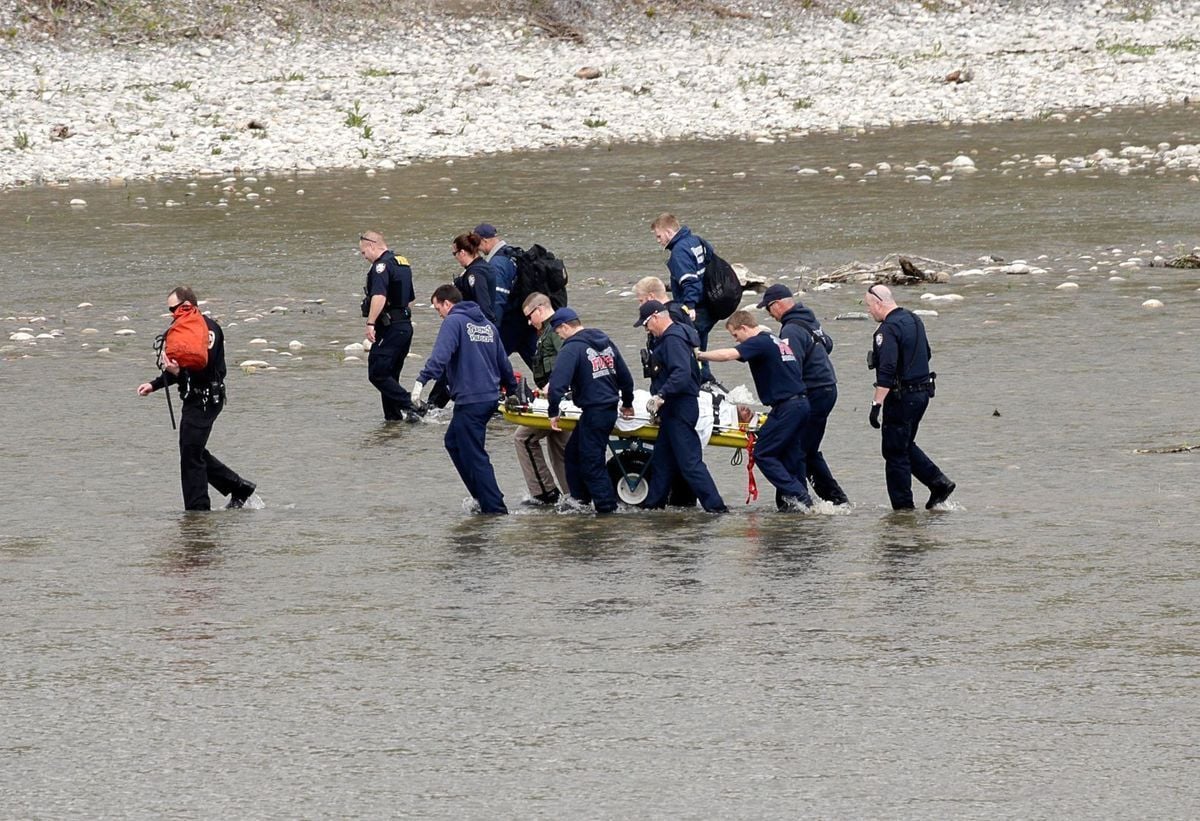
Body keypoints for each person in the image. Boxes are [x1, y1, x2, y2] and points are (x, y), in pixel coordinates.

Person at [137, 286, 256, 511]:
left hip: (206, 400)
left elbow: (200, 372)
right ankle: (238, 487)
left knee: (190, 455)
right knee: (192, 451)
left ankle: (198, 512)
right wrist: (154, 385)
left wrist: (177, 373)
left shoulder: (206, 331)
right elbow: (181, 371)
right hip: (196, 399)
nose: (172, 314)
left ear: (187, 305)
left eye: (174, 309)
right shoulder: (188, 330)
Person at [412, 284, 517, 515]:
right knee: (453, 442)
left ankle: (495, 508)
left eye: (437, 307)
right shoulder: (487, 325)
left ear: (447, 303)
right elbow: (504, 362)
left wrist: (421, 381)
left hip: (472, 399)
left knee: (474, 453)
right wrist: (512, 390)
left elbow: (441, 355)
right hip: (487, 397)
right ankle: (481, 496)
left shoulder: (454, 322)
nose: (438, 313)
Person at [698, 310, 813, 510]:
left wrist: (698, 355)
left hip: (788, 407)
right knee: (791, 457)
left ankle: (801, 497)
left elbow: (727, 355)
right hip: (799, 404)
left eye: (736, 335)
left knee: (763, 453)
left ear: (744, 328)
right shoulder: (774, 339)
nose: (737, 340)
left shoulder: (760, 341)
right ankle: (794, 510)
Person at [865, 284, 956, 510]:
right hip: (923, 393)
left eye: (869, 307)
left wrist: (876, 404)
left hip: (902, 397)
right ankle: (939, 483)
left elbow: (886, 370)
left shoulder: (887, 330)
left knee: (894, 452)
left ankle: (903, 511)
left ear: (879, 303)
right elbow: (928, 352)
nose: (869, 312)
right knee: (903, 445)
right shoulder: (913, 319)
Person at [759, 284, 849, 506]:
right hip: (828, 388)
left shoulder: (790, 329)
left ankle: (795, 503)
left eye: (769, 310)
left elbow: (791, 366)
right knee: (808, 449)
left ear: (777, 305)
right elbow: (828, 345)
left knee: (795, 448)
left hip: (813, 392)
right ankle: (835, 500)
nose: (770, 315)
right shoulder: (810, 321)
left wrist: (784, 400)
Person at [635, 300, 727, 513]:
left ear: (657, 317)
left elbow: (681, 373)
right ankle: (652, 507)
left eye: (646, 324)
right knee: (662, 461)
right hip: (672, 408)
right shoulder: (676, 336)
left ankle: (717, 508)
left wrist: (660, 395)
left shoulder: (672, 339)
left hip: (680, 406)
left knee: (689, 463)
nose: (646, 329)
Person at [545, 307, 636, 513]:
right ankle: (580, 501)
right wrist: (628, 402)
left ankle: (607, 509)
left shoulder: (571, 348)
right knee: (573, 454)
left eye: (558, 332)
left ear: (566, 327)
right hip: (608, 408)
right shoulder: (606, 343)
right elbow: (625, 377)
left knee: (591, 462)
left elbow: (558, 383)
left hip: (595, 411)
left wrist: (553, 411)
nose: (559, 337)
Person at [514, 292, 571, 505]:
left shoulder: (556, 330)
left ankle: (544, 494)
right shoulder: (549, 330)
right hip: (558, 398)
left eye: (530, 316)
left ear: (539, 309)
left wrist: (554, 385)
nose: (529, 322)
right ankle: (571, 497)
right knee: (560, 449)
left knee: (523, 438)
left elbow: (567, 359)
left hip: (559, 398)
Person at [358, 230, 420, 423]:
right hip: (403, 325)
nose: (363, 256)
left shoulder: (381, 267)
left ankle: (413, 405)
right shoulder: (402, 262)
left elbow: (379, 296)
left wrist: (370, 322)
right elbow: (410, 299)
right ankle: (393, 421)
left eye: (363, 252)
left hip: (389, 326)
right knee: (390, 376)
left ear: (371, 245)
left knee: (377, 373)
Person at [650, 213, 719, 382]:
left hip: (696, 305)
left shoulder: (679, 252)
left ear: (668, 232)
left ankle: (702, 380)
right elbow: (710, 254)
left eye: (659, 236)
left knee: (690, 346)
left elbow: (690, 282)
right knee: (700, 343)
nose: (658, 240)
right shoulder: (696, 240)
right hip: (709, 303)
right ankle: (705, 378)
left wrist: (689, 306)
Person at [476, 222, 536, 369]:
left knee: (489, 364)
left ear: (484, 241)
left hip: (510, 322)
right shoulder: (512, 253)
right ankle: (564, 389)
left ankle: (507, 389)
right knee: (539, 365)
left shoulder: (496, 264)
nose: (476, 248)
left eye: (476, 243)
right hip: (525, 319)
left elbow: (498, 300)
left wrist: (490, 330)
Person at [451, 232, 499, 322]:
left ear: (462, 252)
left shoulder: (475, 273)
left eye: (455, 254)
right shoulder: (483, 267)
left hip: (478, 324)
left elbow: (483, 304)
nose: (455, 257)